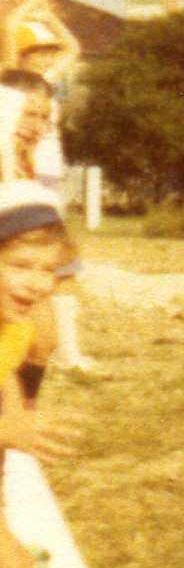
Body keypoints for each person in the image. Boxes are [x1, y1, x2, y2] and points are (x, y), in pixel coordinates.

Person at [0, 191, 82, 568]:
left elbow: (11, 385)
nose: (36, 284)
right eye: (19, 266)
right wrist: (12, 427)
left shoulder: (17, 330)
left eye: (48, 272)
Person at [0, 72, 92, 378]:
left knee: (41, 339)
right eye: (29, 114)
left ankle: (22, 416)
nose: (37, 127)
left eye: (44, 118)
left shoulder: (23, 163)